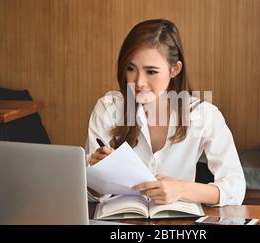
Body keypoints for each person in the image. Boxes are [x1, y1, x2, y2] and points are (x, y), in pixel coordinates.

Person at [85, 19, 245, 206]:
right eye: (131, 69)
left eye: (151, 72)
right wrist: (96, 174)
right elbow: (92, 196)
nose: (138, 83)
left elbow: (235, 189)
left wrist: (181, 189)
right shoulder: (108, 108)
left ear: (174, 69)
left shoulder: (204, 114)